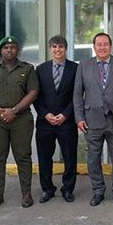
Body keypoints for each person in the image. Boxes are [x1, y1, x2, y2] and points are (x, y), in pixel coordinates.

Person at [74, 32, 113, 207]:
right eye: (99, 44)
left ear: (110, 46)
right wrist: (79, 118)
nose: (102, 47)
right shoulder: (84, 65)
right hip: (92, 119)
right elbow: (77, 94)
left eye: (105, 44)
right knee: (93, 158)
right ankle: (98, 191)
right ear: (94, 47)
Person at [0, 36, 39, 209]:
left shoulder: (27, 69)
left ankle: (26, 194)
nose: (9, 50)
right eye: (6, 47)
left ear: (17, 50)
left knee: (23, 157)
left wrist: (13, 111)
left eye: (12, 47)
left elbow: (33, 92)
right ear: (1, 50)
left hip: (21, 119)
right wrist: (0, 111)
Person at [33, 35, 78, 204]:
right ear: (50, 49)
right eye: (54, 47)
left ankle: (68, 188)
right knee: (45, 157)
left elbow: (78, 95)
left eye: (60, 47)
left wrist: (65, 114)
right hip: (46, 122)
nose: (57, 50)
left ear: (66, 49)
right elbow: (36, 95)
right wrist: (45, 114)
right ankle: (47, 189)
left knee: (69, 156)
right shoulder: (41, 69)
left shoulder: (75, 69)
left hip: (67, 121)